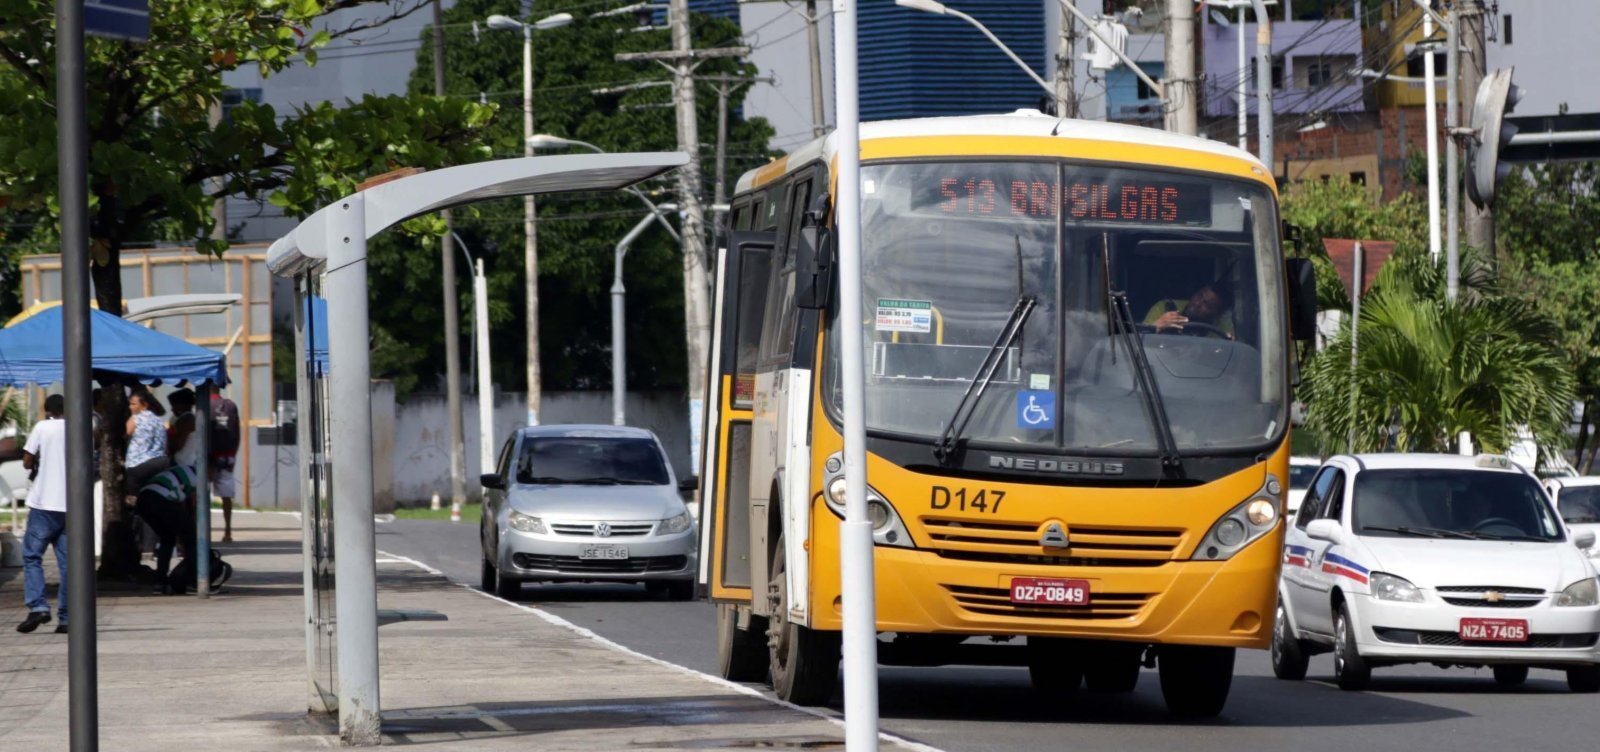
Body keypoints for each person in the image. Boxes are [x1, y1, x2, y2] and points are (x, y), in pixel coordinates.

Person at [17, 394, 68, 634]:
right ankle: (67, 617)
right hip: (74, 506)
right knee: (69, 565)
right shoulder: (84, 427)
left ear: (48, 411)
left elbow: (27, 461)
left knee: (32, 556)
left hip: (44, 503)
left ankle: (38, 606)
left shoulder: (43, 427)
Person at [133, 463, 199, 594]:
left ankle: (160, 582)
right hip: (160, 500)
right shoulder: (198, 477)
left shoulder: (184, 470)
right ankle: (193, 581)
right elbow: (192, 505)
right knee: (190, 536)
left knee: (167, 538)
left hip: (144, 499)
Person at [1143, 281, 1235, 338]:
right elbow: (1140, 338)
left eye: (1207, 304)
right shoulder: (1164, 307)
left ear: (1217, 314)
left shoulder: (1221, 327)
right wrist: (1157, 325)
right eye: (1199, 295)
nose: (1198, 303)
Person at [210, 391, 242, 542]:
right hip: (227, 456)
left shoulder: (205, 405)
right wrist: (233, 454)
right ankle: (228, 530)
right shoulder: (230, 405)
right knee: (226, 497)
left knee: (199, 495)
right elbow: (237, 432)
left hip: (208, 457)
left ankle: (201, 530)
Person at [125, 388, 169, 491]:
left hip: (139, 464)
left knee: (134, 494)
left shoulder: (136, 418)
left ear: (144, 405)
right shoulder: (158, 420)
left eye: (133, 404)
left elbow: (124, 433)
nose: (130, 407)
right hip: (160, 461)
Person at [167, 388, 200, 471]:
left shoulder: (185, 420)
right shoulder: (191, 418)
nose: (172, 409)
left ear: (182, 404)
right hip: (189, 462)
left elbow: (177, 445)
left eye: (174, 405)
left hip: (181, 463)